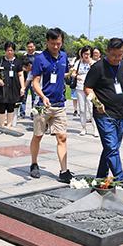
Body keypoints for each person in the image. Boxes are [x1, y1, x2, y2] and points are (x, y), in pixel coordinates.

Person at [84, 38, 123, 182]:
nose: (117, 58)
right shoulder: (98, 67)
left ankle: (100, 177)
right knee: (112, 148)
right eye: (114, 55)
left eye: (120, 55)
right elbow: (87, 87)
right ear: (107, 52)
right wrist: (96, 101)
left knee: (111, 148)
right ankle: (121, 178)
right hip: (104, 115)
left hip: (120, 114)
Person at [30, 28, 73, 183]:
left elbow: (64, 73)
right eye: (53, 43)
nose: (56, 47)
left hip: (59, 104)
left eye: (59, 44)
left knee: (62, 137)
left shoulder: (64, 56)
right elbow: (35, 82)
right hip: (43, 104)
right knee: (38, 135)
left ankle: (64, 171)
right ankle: (34, 163)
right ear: (47, 41)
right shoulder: (40, 59)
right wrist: (42, 96)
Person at [0, 42, 24, 129]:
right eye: (7, 50)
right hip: (2, 87)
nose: (9, 52)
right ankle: (2, 126)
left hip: (13, 87)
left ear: (14, 51)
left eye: (11, 50)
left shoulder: (18, 62)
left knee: (11, 107)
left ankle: (8, 126)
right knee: (1, 106)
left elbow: (21, 75)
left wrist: (22, 87)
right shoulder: (1, 60)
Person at [71, 45, 95, 136]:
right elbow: (73, 74)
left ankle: (95, 128)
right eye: (85, 54)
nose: (86, 56)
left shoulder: (94, 63)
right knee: (82, 109)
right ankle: (83, 127)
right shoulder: (78, 63)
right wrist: (77, 76)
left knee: (92, 108)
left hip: (90, 88)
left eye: (88, 54)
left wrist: (90, 64)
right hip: (80, 87)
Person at [19, 41, 40, 119]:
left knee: (35, 98)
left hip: (38, 82)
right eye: (28, 47)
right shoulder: (24, 56)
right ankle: (22, 113)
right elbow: (27, 80)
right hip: (26, 77)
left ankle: (33, 114)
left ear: (34, 47)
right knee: (24, 98)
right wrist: (22, 88)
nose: (30, 48)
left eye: (31, 47)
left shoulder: (38, 56)